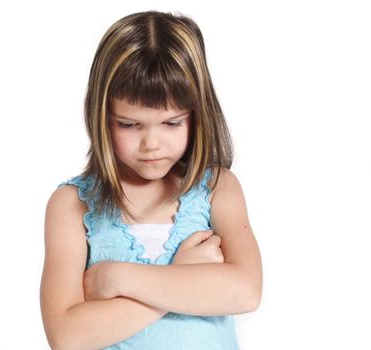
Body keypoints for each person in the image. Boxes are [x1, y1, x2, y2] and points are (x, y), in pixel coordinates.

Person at [40, 10, 262, 350]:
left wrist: (117, 278)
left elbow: (245, 291)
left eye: (172, 123)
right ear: (101, 117)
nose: (152, 144)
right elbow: (67, 337)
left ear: (197, 115)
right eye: (129, 125)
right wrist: (183, 275)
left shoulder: (218, 188)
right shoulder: (72, 204)